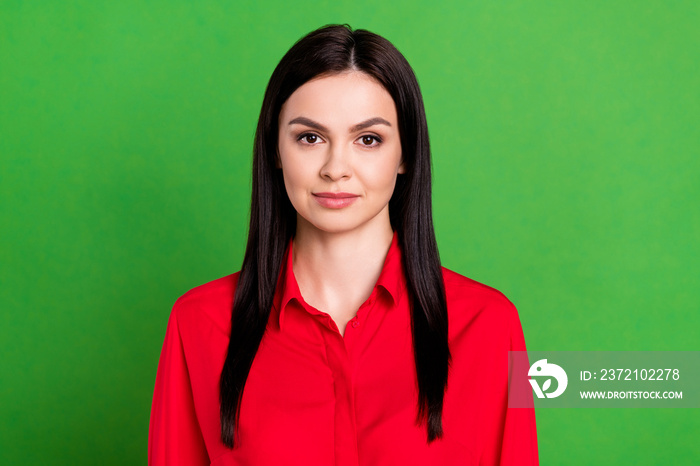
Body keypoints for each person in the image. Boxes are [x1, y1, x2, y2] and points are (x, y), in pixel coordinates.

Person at [148, 24, 538, 465]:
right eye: (309, 138)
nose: (336, 168)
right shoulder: (198, 324)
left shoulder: (489, 325)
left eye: (368, 139)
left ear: (406, 153)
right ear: (276, 150)